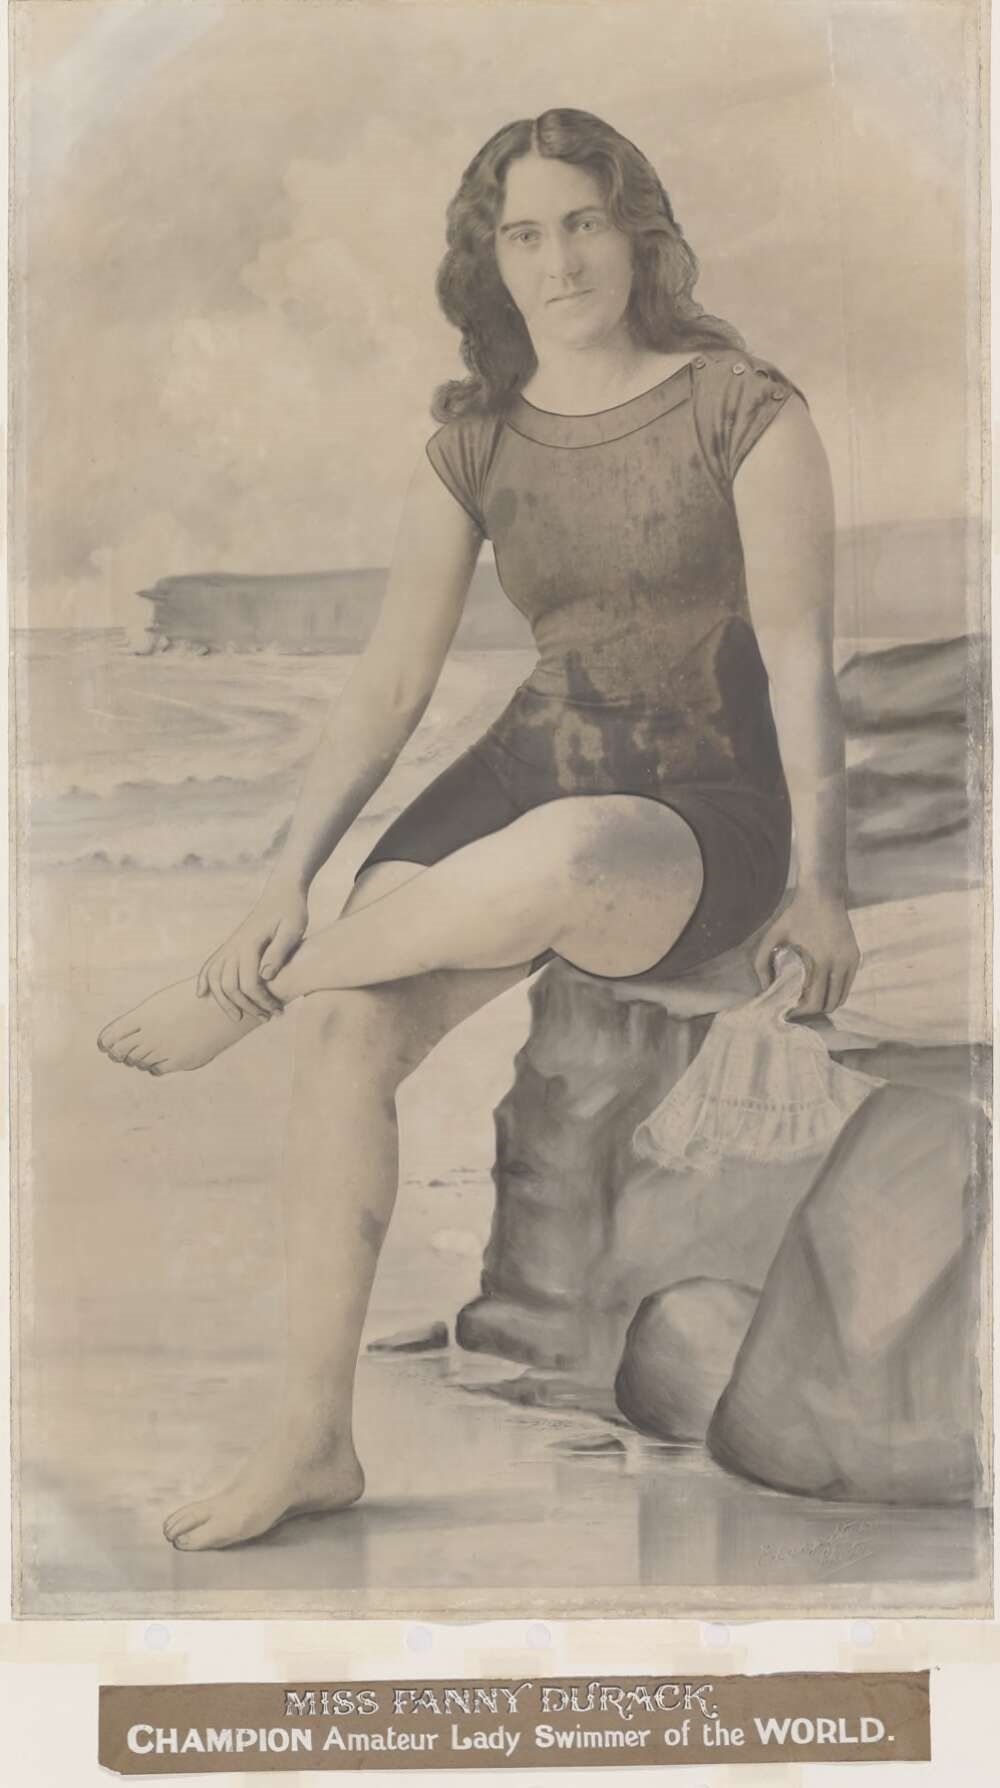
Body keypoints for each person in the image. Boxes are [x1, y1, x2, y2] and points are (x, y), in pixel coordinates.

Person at [97, 107, 860, 1549]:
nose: (559, 259)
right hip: (523, 762)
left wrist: (827, 889)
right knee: (351, 1034)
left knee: (562, 865)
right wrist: (283, 878)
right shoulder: (476, 437)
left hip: (697, 800)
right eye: (524, 233)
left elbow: (807, 657)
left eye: (584, 221)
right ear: (490, 262)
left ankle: (241, 997)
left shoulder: (747, 409)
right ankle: (311, 1444)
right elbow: (393, 676)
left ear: (640, 231)